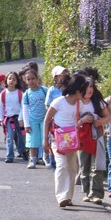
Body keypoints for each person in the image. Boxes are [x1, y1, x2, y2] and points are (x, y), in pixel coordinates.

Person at [43, 73, 89, 208]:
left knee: (72, 169)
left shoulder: (80, 105)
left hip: (72, 141)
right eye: (84, 90)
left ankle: (68, 197)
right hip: (57, 139)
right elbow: (47, 121)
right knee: (62, 165)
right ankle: (61, 196)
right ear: (78, 90)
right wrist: (45, 140)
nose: (86, 93)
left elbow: (81, 119)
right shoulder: (58, 102)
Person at [78, 77, 109, 205]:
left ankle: (96, 194)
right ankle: (86, 192)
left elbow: (107, 117)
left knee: (97, 166)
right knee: (84, 166)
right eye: (87, 87)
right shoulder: (77, 103)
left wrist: (99, 121)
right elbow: (71, 120)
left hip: (97, 136)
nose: (89, 90)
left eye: (91, 87)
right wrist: (82, 121)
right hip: (82, 137)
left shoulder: (98, 102)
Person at [0, 71, 27, 163]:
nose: (11, 81)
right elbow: (1, 106)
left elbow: (23, 106)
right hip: (8, 118)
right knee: (9, 137)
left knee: (21, 136)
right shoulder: (3, 93)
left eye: (14, 79)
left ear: (17, 82)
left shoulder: (19, 93)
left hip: (19, 118)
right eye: (9, 78)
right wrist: (1, 119)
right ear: (6, 80)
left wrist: (22, 118)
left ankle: (23, 151)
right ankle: (10, 155)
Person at [45, 66, 69, 169]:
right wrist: (53, 113)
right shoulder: (51, 90)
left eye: (65, 72)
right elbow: (47, 104)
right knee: (54, 141)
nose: (63, 75)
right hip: (54, 120)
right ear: (55, 77)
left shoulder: (69, 88)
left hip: (66, 120)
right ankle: (54, 163)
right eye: (60, 74)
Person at [22, 69, 48, 169]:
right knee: (33, 140)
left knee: (45, 139)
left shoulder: (44, 90)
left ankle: (46, 157)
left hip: (44, 120)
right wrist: (26, 124)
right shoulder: (26, 94)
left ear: (37, 79)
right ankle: (33, 159)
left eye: (33, 78)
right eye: (28, 79)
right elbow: (25, 109)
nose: (31, 81)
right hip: (32, 120)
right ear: (25, 80)